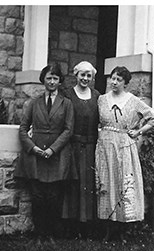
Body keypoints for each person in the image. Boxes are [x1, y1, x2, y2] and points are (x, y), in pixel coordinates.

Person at [95, 66, 154, 237]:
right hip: (105, 146)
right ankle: (106, 226)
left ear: (126, 83)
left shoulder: (132, 100)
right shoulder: (101, 99)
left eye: (118, 80)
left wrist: (139, 131)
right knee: (106, 182)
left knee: (122, 182)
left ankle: (123, 228)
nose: (114, 82)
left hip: (124, 146)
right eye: (112, 78)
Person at [18, 62, 74, 239]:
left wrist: (53, 149)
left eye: (55, 78)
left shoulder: (66, 104)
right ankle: (39, 232)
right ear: (43, 80)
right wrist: (32, 147)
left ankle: (52, 233)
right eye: (48, 78)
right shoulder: (34, 103)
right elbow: (23, 128)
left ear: (60, 81)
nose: (51, 81)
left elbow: (68, 130)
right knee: (37, 196)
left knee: (54, 196)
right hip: (37, 156)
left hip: (56, 156)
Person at [62, 61, 100, 234]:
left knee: (89, 183)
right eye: (82, 74)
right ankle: (70, 224)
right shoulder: (67, 95)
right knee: (73, 183)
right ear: (75, 75)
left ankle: (87, 225)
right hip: (72, 146)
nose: (85, 78)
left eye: (88, 75)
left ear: (92, 78)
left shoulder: (97, 96)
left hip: (91, 147)